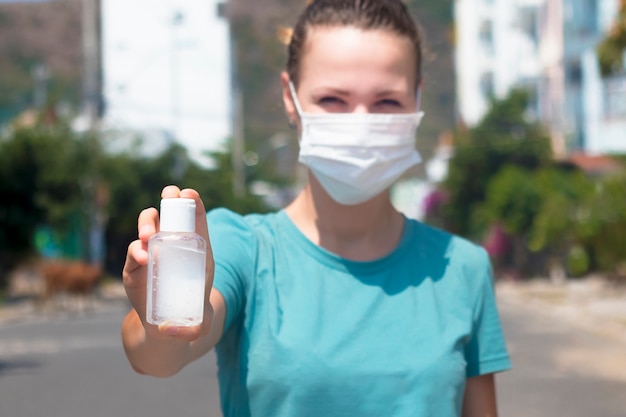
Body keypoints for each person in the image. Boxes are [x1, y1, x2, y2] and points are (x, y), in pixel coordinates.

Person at [121, 1, 512, 416]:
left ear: (417, 98)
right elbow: (158, 357)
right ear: (291, 98)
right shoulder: (245, 249)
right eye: (333, 99)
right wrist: (161, 321)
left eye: (386, 102)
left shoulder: (462, 268)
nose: (360, 122)